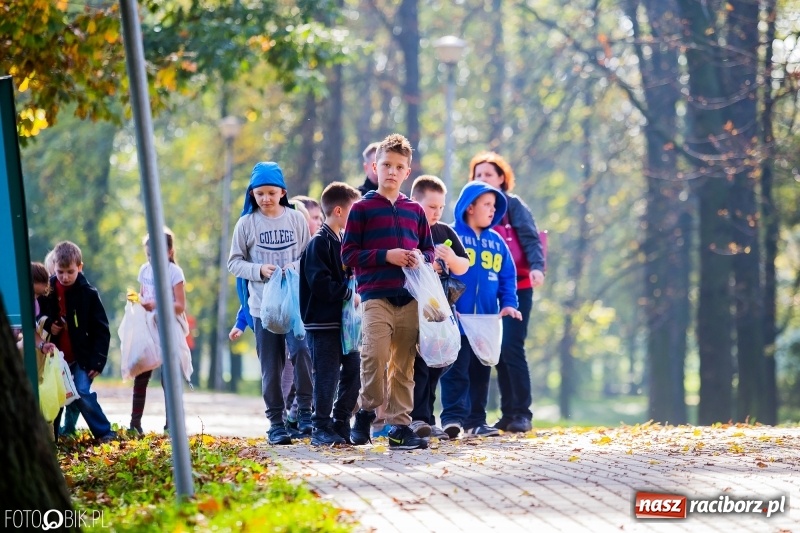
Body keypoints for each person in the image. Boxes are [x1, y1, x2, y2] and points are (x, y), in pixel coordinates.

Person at [341, 133, 435, 450]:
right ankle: (367, 411)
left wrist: (422, 259)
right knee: (375, 355)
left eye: (398, 166)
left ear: (407, 172)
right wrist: (386, 256)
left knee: (404, 365)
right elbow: (348, 255)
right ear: (375, 167)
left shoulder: (415, 211)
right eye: (386, 165)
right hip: (375, 296)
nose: (392, 172)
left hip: (409, 298)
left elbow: (429, 251)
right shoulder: (361, 209)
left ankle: (398, 426)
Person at [228, 161, 310, 445]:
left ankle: (305, 414)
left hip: (294, 306)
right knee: (270, 367)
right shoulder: (247, 223)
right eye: (260, 193)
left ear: (283, 192)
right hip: (262, 308)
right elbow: (234, 262)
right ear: (252, 193)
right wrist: (259, 270)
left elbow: (306, 256)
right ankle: (276, 423)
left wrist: (294, 269)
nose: (266, 199)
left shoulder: (296, 219)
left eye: (272, 193)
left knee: (302, 352)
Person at [469, 152, 545, 433]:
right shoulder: (472, 208)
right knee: (494, 351)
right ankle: (506, 413)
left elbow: (530, 237)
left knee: (512, 347)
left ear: (502, 178)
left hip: (518, 287)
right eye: (478, 175)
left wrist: (537, 267)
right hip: (487, 290)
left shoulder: (513, 206)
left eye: (489, 174)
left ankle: (521, 413)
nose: (483, 179)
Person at [439, 181, 522, 439]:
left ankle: (476, 421)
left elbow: (508, 277)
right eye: (487, 204)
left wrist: (509, 303)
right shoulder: (451, 236)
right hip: (457, 320)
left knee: (481, 371)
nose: (492, 210)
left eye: (494, 206)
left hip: (486, 321)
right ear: (470, 207)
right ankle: (452, 418)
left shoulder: (497, 242)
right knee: (455, 370)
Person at [299, 182, 363, 446]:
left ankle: (340, 420)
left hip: (345, 325)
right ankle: (321, 426)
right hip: (323, 323)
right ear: (338, 210)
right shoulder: (319, 244)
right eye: (353, 211)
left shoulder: (343, 241)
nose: (357, 217)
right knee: (326, 376)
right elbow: (320, 283)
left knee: (353, 370)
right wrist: (347, 293)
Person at [408, 175, 469, 440]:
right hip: (411, 308)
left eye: (441, 207)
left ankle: (428, 418)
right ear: (415, 203)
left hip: (439, 313)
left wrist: (451, 258)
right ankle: (416, 418)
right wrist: (426, 264)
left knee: (437, 364)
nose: (437, 212)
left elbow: (464, 265)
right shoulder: (407, 227)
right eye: (432, 207)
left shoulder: (444, 231)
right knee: (418, 365)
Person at [38, 241, 116, 442]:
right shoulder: (48, 290)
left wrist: (98, 361)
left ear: (80, 267)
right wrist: (48, 325)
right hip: (56, 356)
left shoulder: (88, 293)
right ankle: (52, 437)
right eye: (60, 271)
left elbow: (101, 330)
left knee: (81, 391)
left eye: (70, 272)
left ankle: (104, 432)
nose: (65, 277)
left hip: (82, 356)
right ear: (54, 267)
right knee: (56, 394)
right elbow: (38, 315)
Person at [129, 228, 188, 436]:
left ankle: (171, 424)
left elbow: (180, 305)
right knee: (142, 371)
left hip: (168, 325)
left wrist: (156, 304)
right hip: (148, 325)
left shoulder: (174, 273)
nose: (152, 259)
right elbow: (144, 294)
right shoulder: (144, 270)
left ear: (170, 252)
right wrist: (139, 301)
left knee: (168, 376)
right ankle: (134, 424)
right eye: (149, 255)